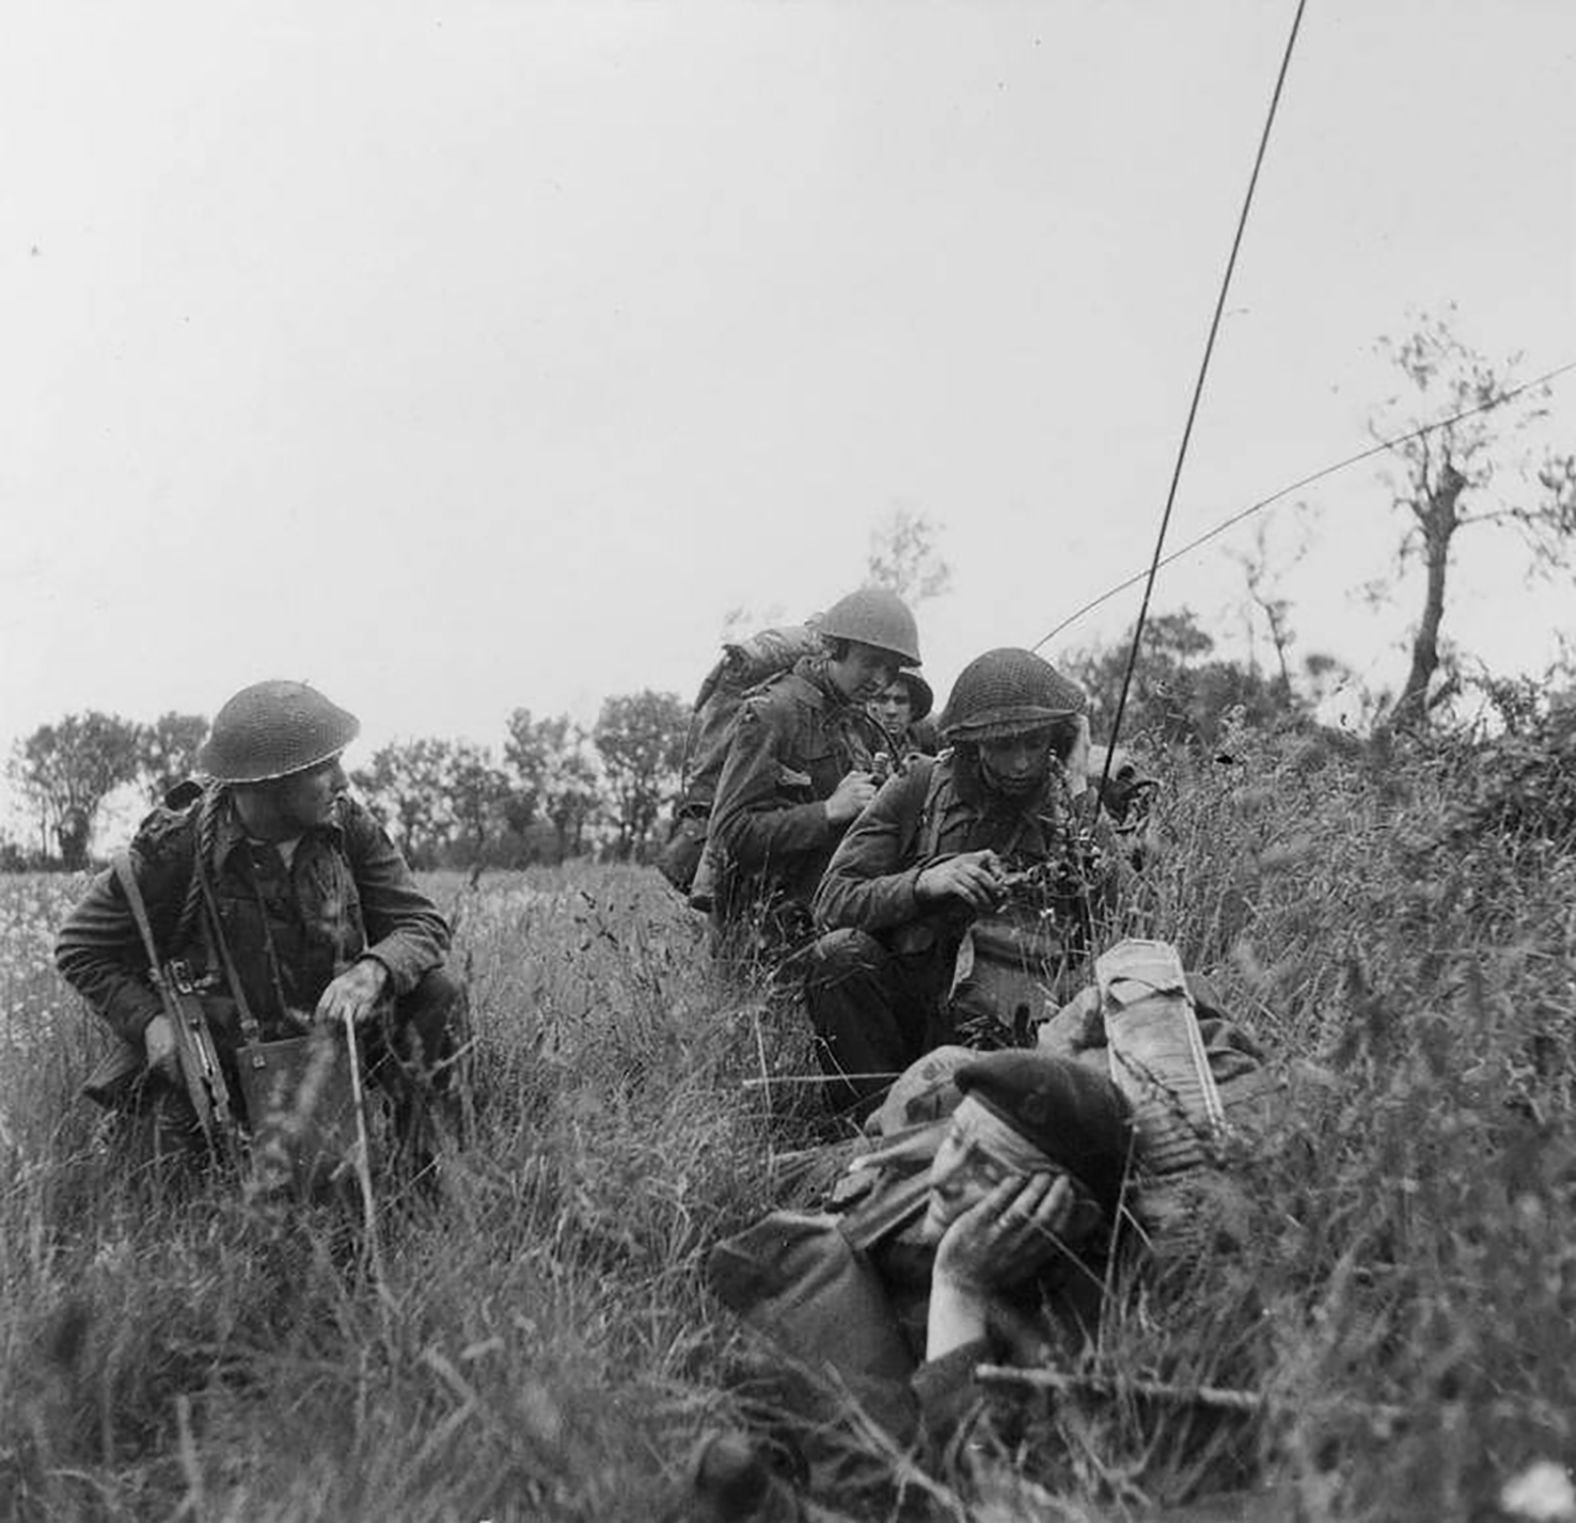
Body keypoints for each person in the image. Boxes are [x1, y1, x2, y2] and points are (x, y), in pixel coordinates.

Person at [57, 679, 467, 1177]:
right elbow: (79, 949)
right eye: (323, 768)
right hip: (219, 1059)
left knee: (437, 990)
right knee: (171, 1199)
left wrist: (375, 968)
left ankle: (427, 1177)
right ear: (265, 786)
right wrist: (150, 1023)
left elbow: (420, 922)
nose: (344, 782)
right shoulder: (174, 848)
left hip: (335, 1041)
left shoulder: (348, 826)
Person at [702, 1049, 1135, 1517]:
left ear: (1069, 1217)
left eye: (987, 1169)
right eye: (954, 1140)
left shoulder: (1083, 1338)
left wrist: (959, 1290)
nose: (945, 1176)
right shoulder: (905, 1208)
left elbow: (978, 1494)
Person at [805, 648, 1124, 1109]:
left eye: (1034, 745)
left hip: (1021, 1027)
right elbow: (833, 899)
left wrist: (1078, 787)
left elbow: (1125, 918)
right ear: (973, 745)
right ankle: (870, 1132)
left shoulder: (1069, 804)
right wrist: (924, 883)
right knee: (838, 956)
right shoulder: (916, 787)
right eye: (1003, 746)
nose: (1020, 764)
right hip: (910, 1017)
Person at [705, 587, 921, 970]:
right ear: (837, 649)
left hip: (822, 925)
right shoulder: (773, 712)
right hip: (760, 945)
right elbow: (729, 836)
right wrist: (828, 812)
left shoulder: (853, 722)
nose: (880, 679)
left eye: (889, 668)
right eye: (871, 662)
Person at [864, 669, 940, 765]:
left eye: (900, 701)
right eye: (882, 700)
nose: (891, 711)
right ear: (870, 704)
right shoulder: (852, 745)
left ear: (913, 709)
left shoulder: (925, 745)